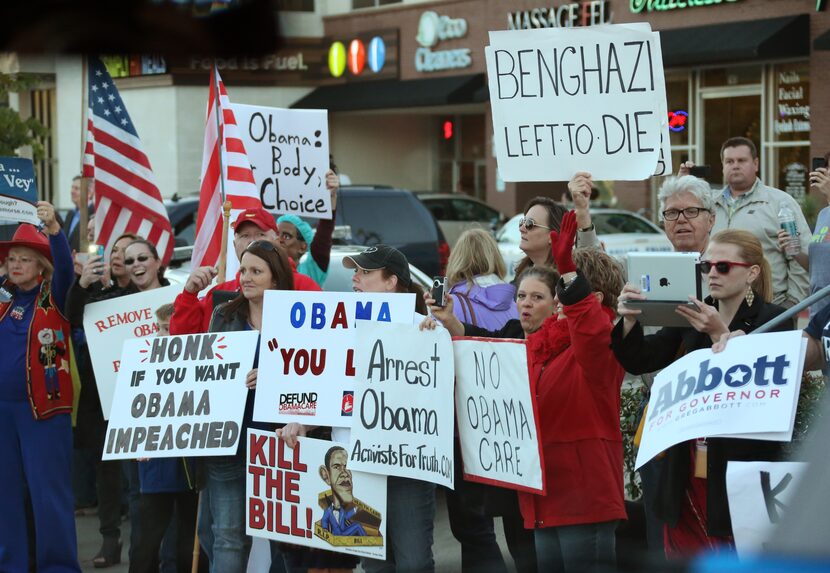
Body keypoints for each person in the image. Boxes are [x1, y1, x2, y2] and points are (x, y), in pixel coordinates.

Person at [425, 211, 628, 572]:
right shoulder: (539, 347)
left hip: (582, 501)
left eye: (560, 294)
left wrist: (567, 266)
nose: (532, 303)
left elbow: (592, 331)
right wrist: (452, 325)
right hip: (542, 500)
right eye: (522, 296)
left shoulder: (600, 348)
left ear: (590, 299)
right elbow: (490, 356)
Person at [612, 229, 791, 558]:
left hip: (739, 465)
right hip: (687, 464)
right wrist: (628, 321)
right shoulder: (693, 314)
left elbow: (767, 390)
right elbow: (641, 359)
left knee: (735, 556)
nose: (711, 274)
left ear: (751, 272)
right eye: (706, 266)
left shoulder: (776, 319)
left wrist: (719, 333)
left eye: (723, 267)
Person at [202, 239, 294, 573]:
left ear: (276, 278)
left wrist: (276, 375)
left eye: (256, 271)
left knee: (286, 539)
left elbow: (315, 375)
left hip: (280, 444)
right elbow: (208, 373)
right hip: (230, 442)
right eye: (243, 269)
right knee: (227, 537)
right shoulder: (223, 315)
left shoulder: (298, 318)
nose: (246, 277)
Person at [0, 202, 80, 572]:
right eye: (12, 259)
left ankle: (58, 566)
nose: (15, 265)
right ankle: (13, 564)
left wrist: (53, 229)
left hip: (43, 412)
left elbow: (65, 267)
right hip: (3, 413)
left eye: (24, 259)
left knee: (49, 496)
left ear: (40, 266)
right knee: (6, 495)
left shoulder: (55, 298)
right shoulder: (2, 301)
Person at [439, 228, 517, 572]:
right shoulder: (519, 299)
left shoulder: (449, 305)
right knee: (506, 524)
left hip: (461, 426)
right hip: (507, 424)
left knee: (471, 527)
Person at [66, 232, 143, 567]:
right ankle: (110, 539)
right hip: (101, 398)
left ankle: (145, 541)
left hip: (142, 397)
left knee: (140, 475)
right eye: (115, 250)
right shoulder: (96, 293)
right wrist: (81, 284)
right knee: (106, 473)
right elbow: (70, 315)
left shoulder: (151, 294)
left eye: (128, 252)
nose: (119, 256)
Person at [679, 137, 810, 308]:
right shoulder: (707, 204)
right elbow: (676, 225)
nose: (735, 165)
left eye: (741, 160)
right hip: (717, 309)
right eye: (729, 161)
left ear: (756, 164)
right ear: (723, 166)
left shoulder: (780, 203)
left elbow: (802, 258)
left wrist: (791, 304)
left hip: (770, 309)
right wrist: (682, 187)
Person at [171, 207, 320, 336]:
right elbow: (187, 347)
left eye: (261, 234)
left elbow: (321, 345)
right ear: (234, 244)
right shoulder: (219, 294)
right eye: (245, 236)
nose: (252, 241)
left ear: (277, 241)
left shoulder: (304, 287)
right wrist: (189, 296)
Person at [130, 304, 198, 573]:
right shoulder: (144, 361)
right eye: (158, 328)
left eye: (168, 329)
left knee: (188, 539)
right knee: (148, 537)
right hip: (155, 460)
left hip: (190, 463)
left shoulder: (198, 360)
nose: (161, 334)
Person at [512, 172, 599, 280]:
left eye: (529, 224)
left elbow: (593, 267)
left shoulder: (570, 279)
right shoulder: (521, 277)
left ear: (553, 235)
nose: (521, 228)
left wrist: (582, 209)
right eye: (522, 222)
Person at [277, 168, 340, 288]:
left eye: (286, 236)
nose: (279, 239)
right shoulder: (263, 271)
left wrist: (331, 196)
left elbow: (324, 235)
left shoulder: (311, 270)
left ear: (303, 247)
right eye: (276, 234)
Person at [786, 150, 830, 317]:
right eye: (827, 167)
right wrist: (794, 250)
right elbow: (816, 268)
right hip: (819, 311)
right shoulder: (824, 214)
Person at [63, 175, 95, 252]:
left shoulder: (94, 215)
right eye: (72, 188)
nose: (72, 191)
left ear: (89, 193)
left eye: (76, 189)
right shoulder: (70, 214)